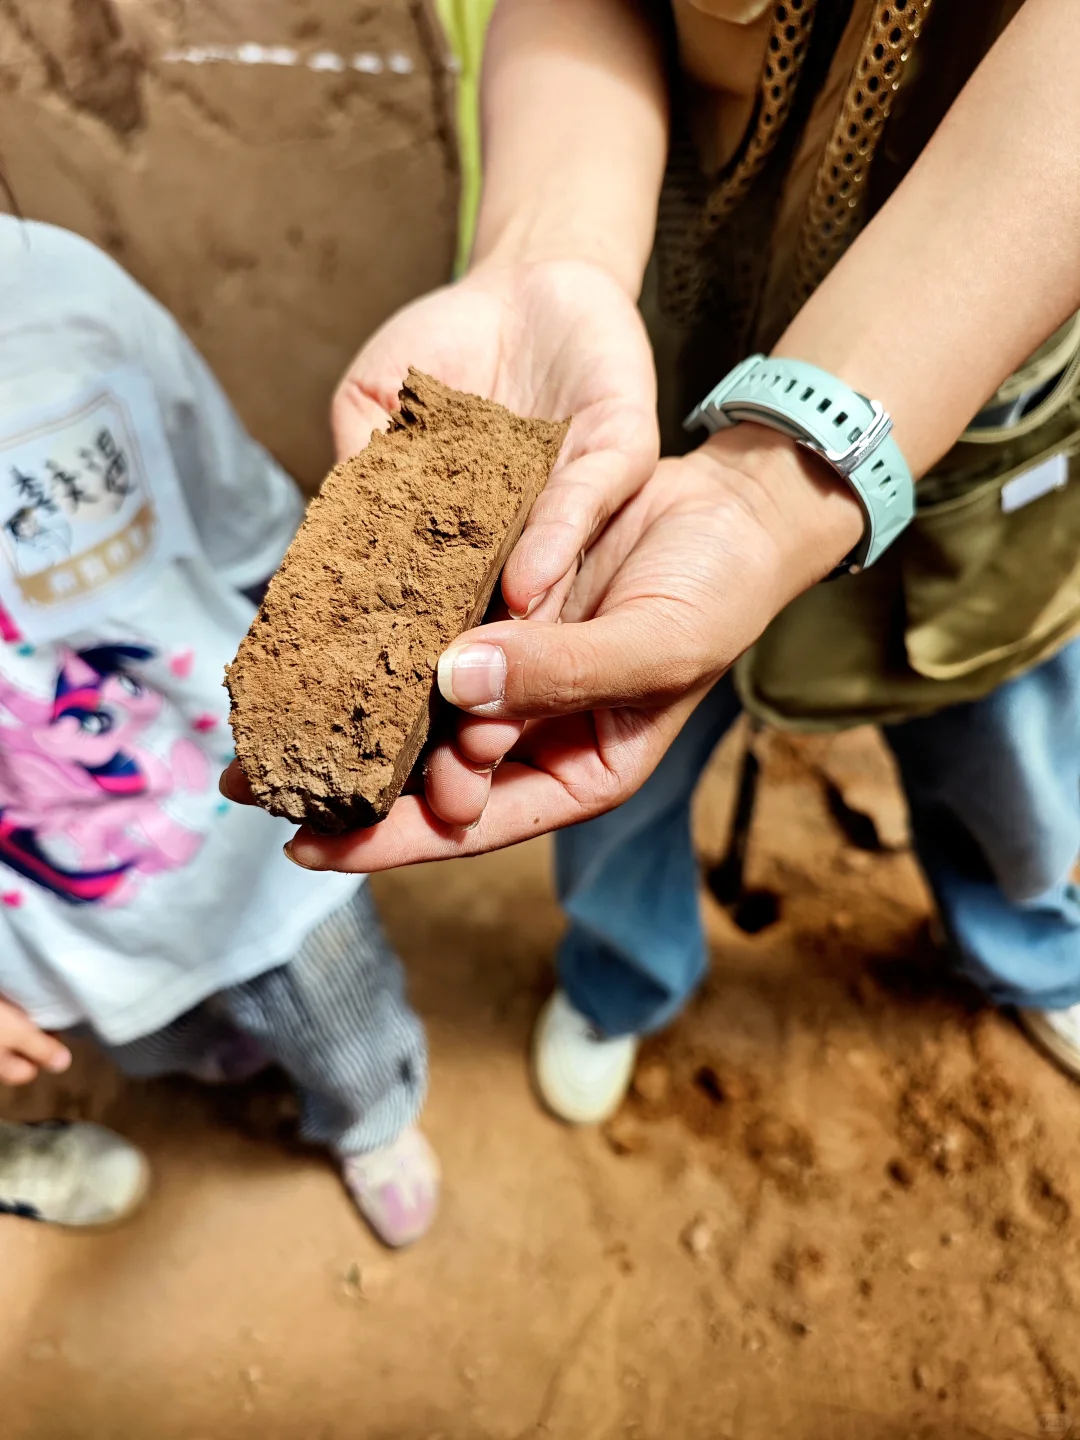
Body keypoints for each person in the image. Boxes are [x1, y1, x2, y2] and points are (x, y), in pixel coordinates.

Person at [223, 0, 1080, 1121]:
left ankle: (1029, 949)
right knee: (603, 754)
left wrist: (779, 486)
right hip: (640, 358)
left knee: (1004, 756)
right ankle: (620, 980)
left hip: (990, 399)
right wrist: (546, 258)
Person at [0, 217, 438, 1242]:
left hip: (244, 813)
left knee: (336, 1007)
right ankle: (221, 1051)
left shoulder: (62, 297)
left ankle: (373, 1114)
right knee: (159, 1034)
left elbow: (243, 513)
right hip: (56, 908)